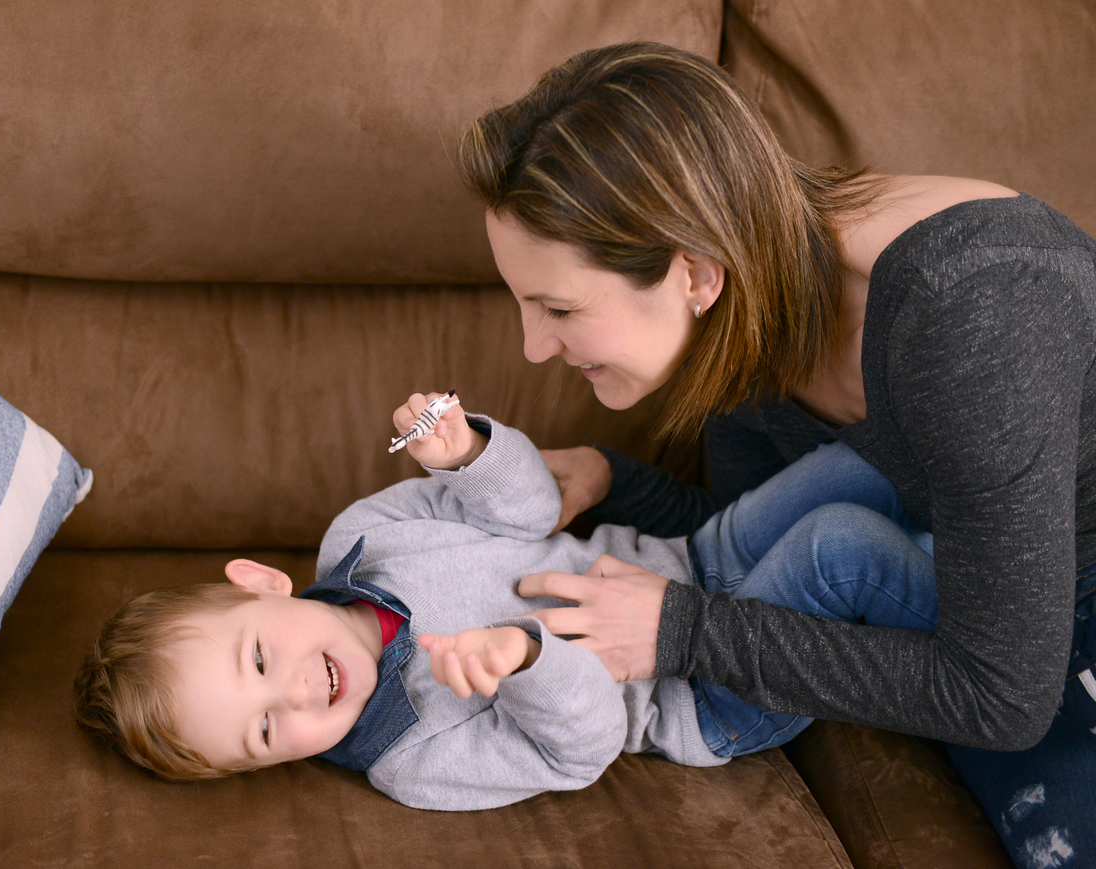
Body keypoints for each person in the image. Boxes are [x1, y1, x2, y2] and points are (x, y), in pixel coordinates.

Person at [456, 41, 1096, 863]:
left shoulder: (969, 317)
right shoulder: (751, 315)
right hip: (988, 600)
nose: (532, 347)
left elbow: (1001, 697)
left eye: (558, 308)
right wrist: (612, 480)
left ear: (694, 274)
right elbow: (747, 538)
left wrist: (684, 631)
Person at [73, 393, 936, 811]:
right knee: (838, 545)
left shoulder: (363, 535)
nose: (296, 693)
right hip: (707, 690)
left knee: (858, 465)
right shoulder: (411, 759)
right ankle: (992, 630)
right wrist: (528, 660)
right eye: (265, 731)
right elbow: (581, 751)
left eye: (259, 658)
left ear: (260, 581)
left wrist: (470, 456)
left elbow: (528, 511)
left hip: (689, 558)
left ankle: (984, 541)